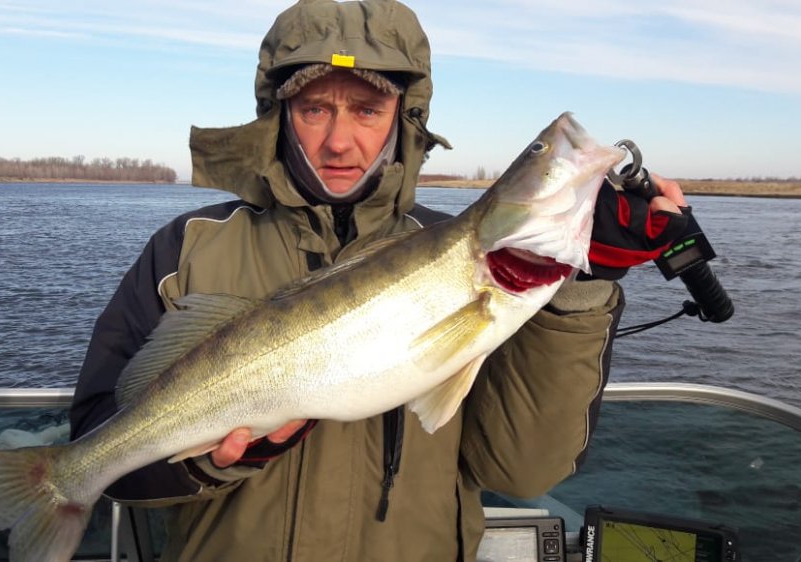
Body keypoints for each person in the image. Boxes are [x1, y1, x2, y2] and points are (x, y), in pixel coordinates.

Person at [70, 1, 689, 560]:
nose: (340, 141)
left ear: (404, 118)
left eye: (368, 110)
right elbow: (102, 441)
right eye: (314, 109)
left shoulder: (470, 259)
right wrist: (207, 463)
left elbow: (522, 472)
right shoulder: (186, 248)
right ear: (278, 116)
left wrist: (580, 281)